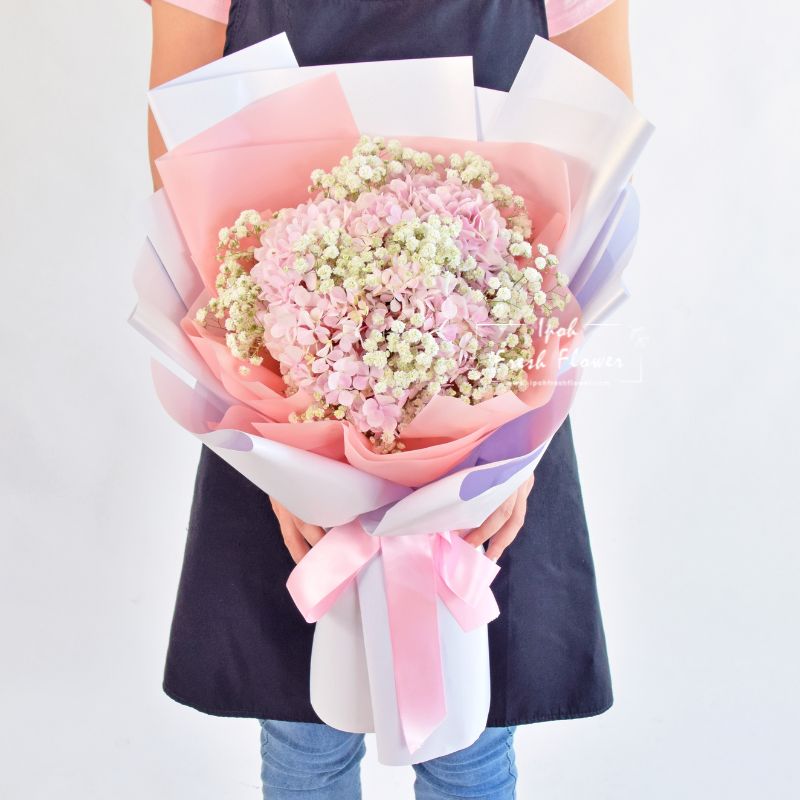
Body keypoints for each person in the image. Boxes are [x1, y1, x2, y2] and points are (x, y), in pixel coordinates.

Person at [146, 2, 633, 797]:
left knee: (468, 746)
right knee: (305, 736)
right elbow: (184, 174)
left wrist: (516, 448)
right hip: (279, 383)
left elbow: (595, 164)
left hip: (494, 391)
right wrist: (282, 453)